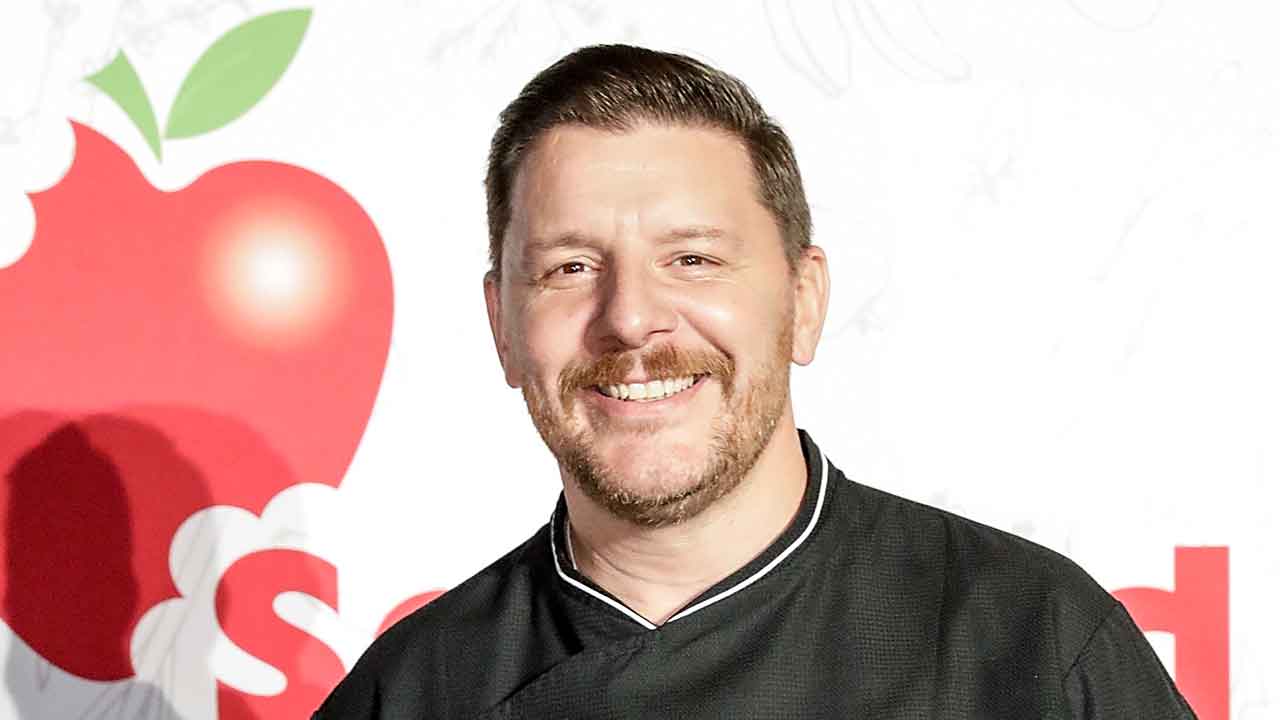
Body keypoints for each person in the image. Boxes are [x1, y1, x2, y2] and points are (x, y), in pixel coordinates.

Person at [314, 44, 1196, 719]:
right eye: (570, 268)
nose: (631, 319)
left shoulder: (1029, 642)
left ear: (803, 302)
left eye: (693, 258)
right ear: (503, 328)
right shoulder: (414, 691)